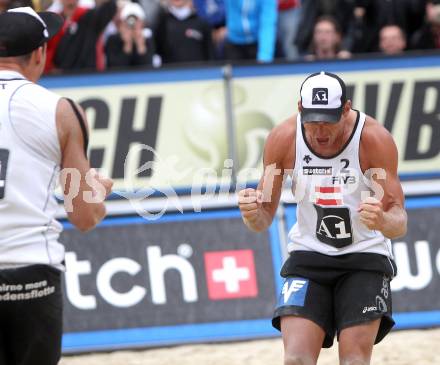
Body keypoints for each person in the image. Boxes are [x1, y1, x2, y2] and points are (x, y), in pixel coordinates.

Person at [238, 71, 407, 365]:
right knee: (296, 360)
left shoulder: (373, 139)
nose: (320, 132)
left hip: (364, 258)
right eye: (312, 120)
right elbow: (263, 218)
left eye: (328, 121)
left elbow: (399, 221)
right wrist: (252, 213)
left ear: (346, 109)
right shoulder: (283, 138)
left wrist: (381, 220)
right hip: (309, 255)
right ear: (300, 108)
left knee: (354, 361)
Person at [0, 7, 113, 365]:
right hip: (31, 271)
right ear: (39, 54)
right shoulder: (59, 110)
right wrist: (98, 191)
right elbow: (84, 216)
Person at [45, 0, 117, 73]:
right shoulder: (54, 23)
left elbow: (108, 10)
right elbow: (48, 50)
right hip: (62, 76)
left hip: (87, 74)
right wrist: (51, 69)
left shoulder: (89, 17)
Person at [154, 0, 214, 64]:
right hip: (170, 72)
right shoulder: (161, 23)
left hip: (198, 71)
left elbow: (210, 54)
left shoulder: (202, 23)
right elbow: (156, 53)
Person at [105, 1, 156, 68]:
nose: (132, 24)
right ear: (122, 23)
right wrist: (127, 45)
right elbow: (115, 68)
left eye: (136, 20)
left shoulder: (147, 39)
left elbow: (148, 68)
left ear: (142, 23)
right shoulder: (113, 40)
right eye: (128, 20)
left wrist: (140, 45)